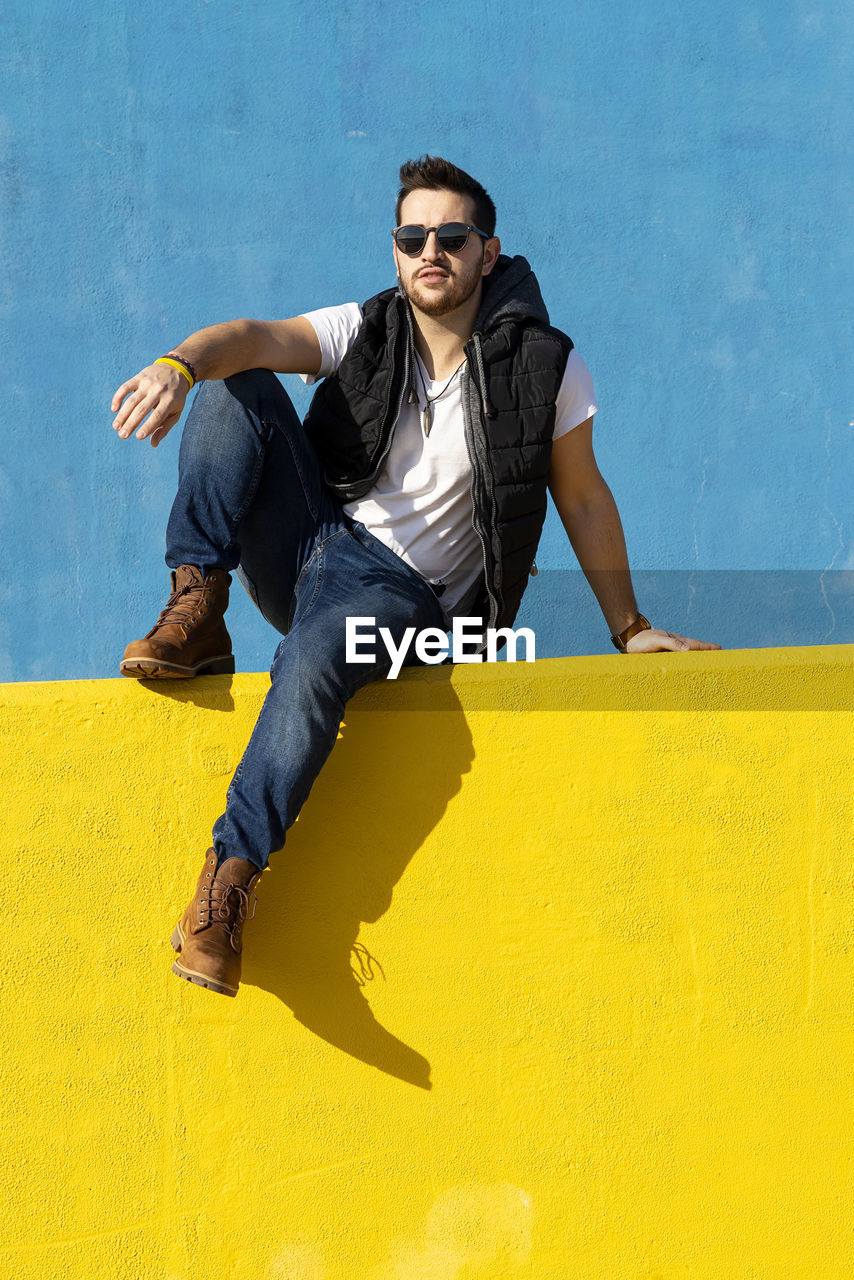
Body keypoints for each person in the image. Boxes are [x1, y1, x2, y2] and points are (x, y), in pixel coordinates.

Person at [111, 155, 719, 998]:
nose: (430, 249)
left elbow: (580, 495)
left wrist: (629, 626)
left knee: (318, 652)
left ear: (487, 252)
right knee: (235, 383)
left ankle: (226, 884)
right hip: (315, 547)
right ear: (396, 250)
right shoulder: (367, 327)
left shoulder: (546, 367)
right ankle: (199, 605)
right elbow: (250, 336)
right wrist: (179, 366)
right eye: (413, 235)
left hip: (407, 597)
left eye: (451, 235)